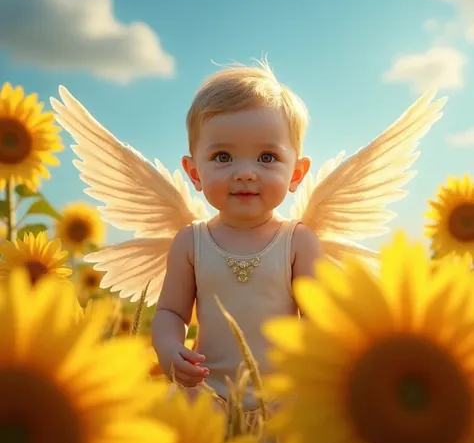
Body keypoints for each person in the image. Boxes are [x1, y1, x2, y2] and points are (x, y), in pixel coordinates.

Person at [50, 60, 446, 420]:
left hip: (283, 397)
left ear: (297, 173)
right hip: (205, 394)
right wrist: (169, 351)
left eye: (267, 158)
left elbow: (316, 317)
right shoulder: (190, 242)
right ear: (194, 172)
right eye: (223, 157)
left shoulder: (298, 242)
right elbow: (172, 312)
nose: (244, 172)